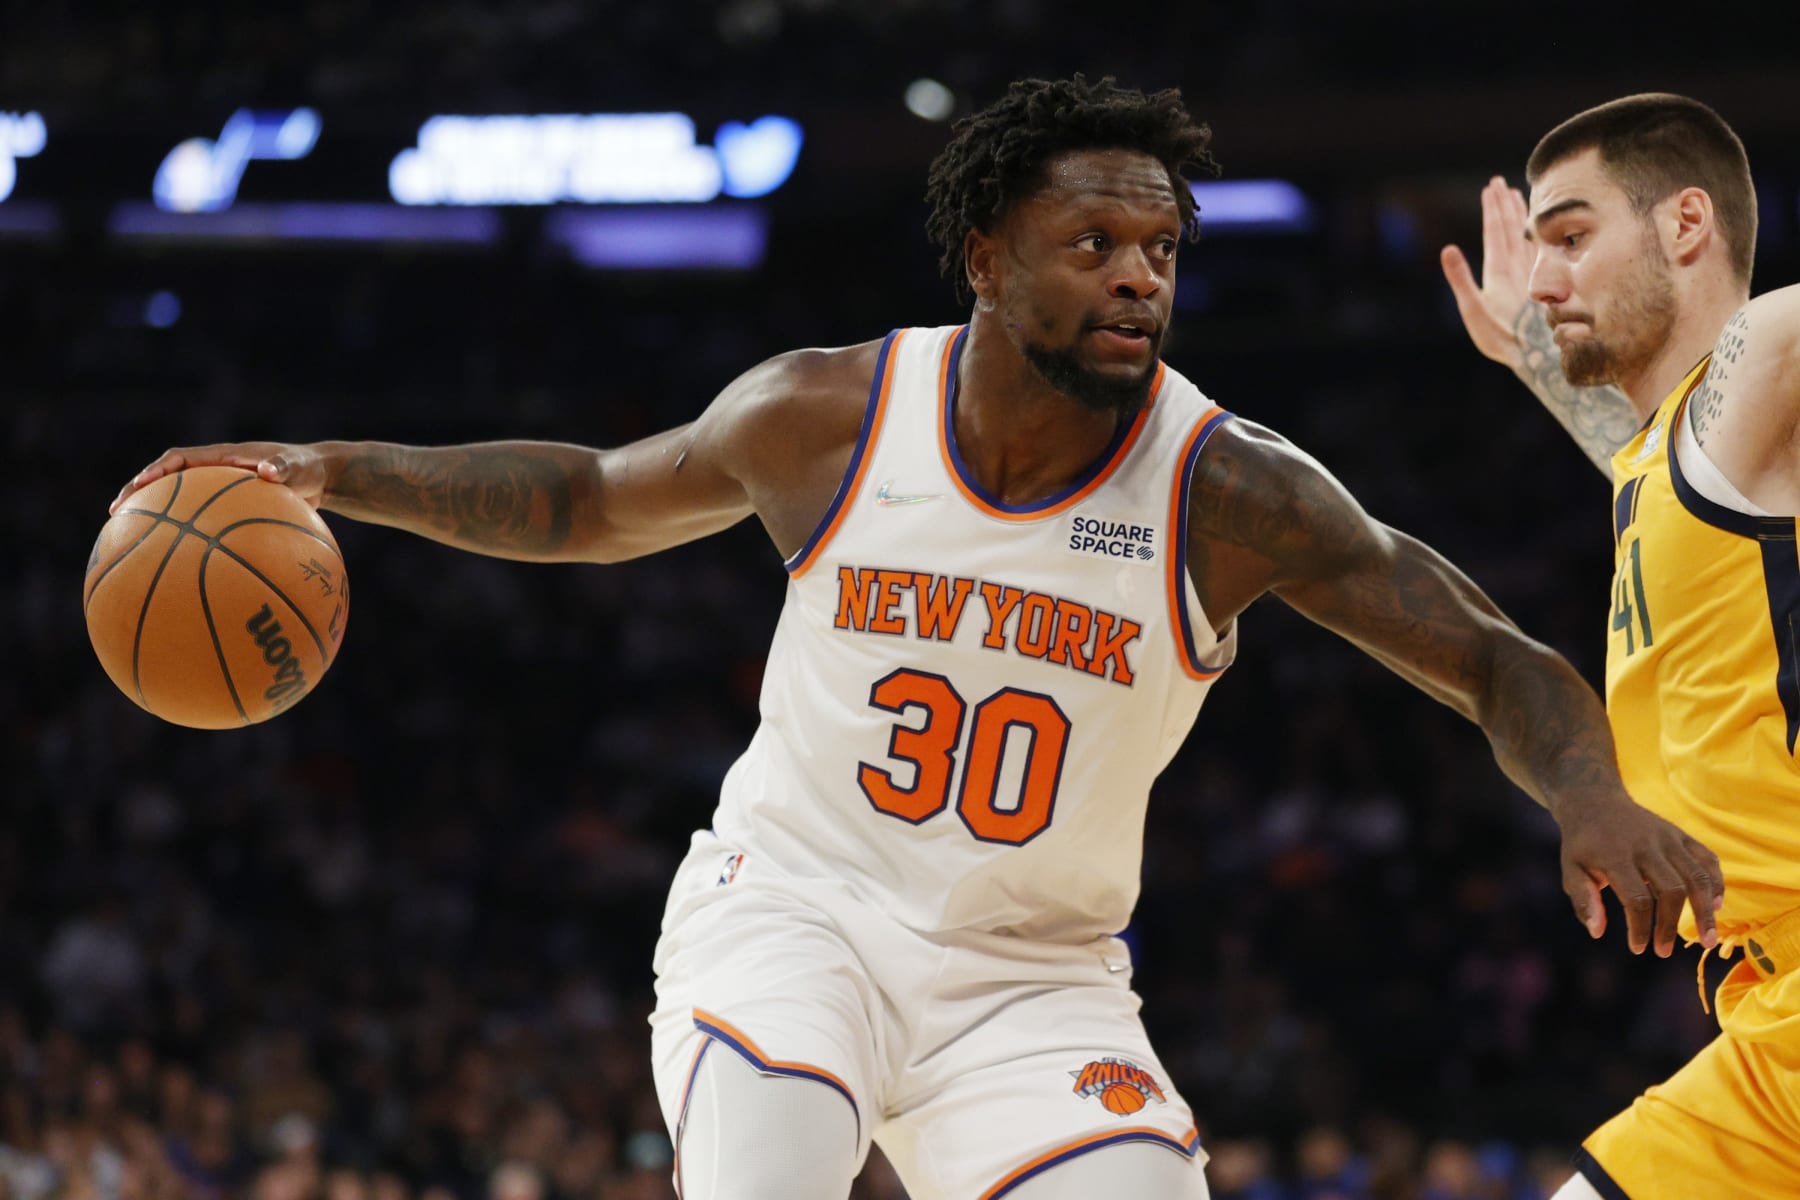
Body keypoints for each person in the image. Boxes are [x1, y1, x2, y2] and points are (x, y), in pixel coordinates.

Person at [115, 77, 1722, 1200]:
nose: (1138, 280)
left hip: (1034, 978)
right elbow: (587, 499)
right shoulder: (827, 414)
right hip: (795, 913)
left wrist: (1585, 794)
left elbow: (1493, 652)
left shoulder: (1229, 488)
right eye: (1095, 244)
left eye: (1162, 251)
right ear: (987, 258)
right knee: (776, 1172)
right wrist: (336, 472)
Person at [1442, 93, 1800, 1199]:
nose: (1547, 281)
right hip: (1761, 1002)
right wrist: (1534, 362)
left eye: (1573, 237)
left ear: (1687, 224)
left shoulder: (1766, 353)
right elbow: (1672, 478)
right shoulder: (1674, 457)